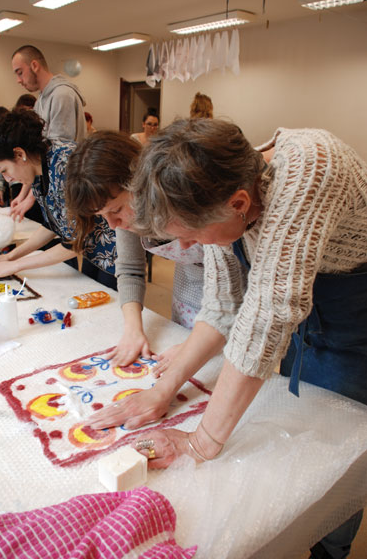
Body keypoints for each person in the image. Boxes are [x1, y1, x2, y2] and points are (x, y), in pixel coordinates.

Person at [87, 118, 367, 558]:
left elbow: (269, 313)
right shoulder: (214, 196)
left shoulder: (312, 167)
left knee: (337, 449)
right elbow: (223, 307)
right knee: (297, 427)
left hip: (357, 319)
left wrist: (201, 442)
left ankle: (330, 549)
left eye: (191, 237)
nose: (189, 248)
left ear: (239, 203)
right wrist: (162, 390)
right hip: (309, 313)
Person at [65, 130, 205, 366]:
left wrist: (196, 345)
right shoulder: (126, 211)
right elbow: (130, 268)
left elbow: (232, 294)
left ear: (139, 183)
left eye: (116, 210)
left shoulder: (184, 197)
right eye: (102, 216)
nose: (112, 224)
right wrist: (133, 329)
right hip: (188, 291)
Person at [0, 110, 116, 289]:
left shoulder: (64, 165)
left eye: (4, 170)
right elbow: (53, 225)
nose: (7, 179)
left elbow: (75, 242)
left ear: (19, 154)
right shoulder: (39, 166)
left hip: (114, 249)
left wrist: (15, 265)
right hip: (94, 251)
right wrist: (9, 257)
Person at [11, 45, 87, 221]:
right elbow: (37, 154)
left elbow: (57, 156)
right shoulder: (41, 100)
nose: (18, 80)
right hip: (52, 187)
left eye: (20, 72)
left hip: (68, 187)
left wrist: (30, 198)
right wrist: (23, 194)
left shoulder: (62, 95)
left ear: (34, 65)